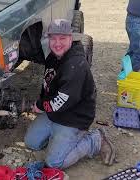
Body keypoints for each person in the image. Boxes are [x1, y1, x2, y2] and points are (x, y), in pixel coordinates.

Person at [24, 19, 116, 169]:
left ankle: (95, 140)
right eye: (53, 38)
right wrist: (43, 103)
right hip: (55, 112)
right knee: (31, 143)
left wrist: (41, 106)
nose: (57, 43)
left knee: (54, 163)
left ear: (71, 38)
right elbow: (47, 85)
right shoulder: (53, 57)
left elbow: (61, 100)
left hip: (74, 117)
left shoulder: (76, 65)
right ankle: (59, 140)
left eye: (62, 38)